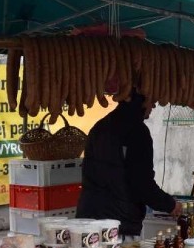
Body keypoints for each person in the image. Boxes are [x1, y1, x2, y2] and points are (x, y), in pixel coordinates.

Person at [77, 91, 181, 238]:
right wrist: (170, 205)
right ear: (142, 101)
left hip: (88, 222)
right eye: (152, 102)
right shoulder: (137, 132)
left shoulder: (99, 127)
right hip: (117, 227)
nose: (154, 106)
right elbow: (142, 183)